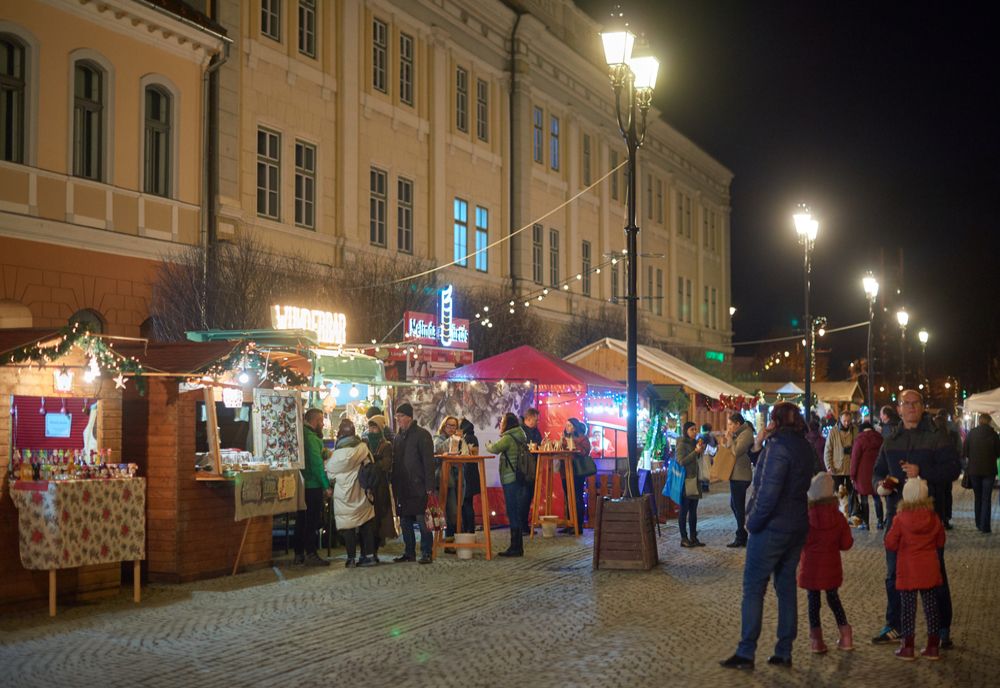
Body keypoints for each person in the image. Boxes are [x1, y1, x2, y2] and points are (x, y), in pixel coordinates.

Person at [720, 402, 814, 671]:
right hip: (796, 525)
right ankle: (784, 651)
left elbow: (768, 492)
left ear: (776, 420)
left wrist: (753, 523)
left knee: (753, 588)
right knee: (785, 589)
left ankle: (746, 651)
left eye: (771, 418)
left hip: (772, 527)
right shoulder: (803, 446)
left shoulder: (779, 447)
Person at [871, 390, 960, 648]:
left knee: (936, 574)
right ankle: (896, 625)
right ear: (898, 409)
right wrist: (880, 485)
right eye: (905, 404)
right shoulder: (890, 439)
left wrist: (923, 472)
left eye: (915, 403)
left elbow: (953, 469)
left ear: (922, 407)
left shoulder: (937, 436)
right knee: (893, 573)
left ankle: (942, 629)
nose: (910, 408)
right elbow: (876, 472)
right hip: (896, 516)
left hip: (928, 517)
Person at [884, 477, 946, 660]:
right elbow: (941, 541)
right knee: (931, 608)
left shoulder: (900, 519)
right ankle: (933, 647)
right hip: (929, 570)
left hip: (909, 570)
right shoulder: (933, 517)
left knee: (908, 610)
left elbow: (890, 543)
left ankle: (908, 647)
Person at [798, 473, 854, 654]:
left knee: (813, 603)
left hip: (811, 569)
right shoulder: (837, 517)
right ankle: (846, 637)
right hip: (832, 568)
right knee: (834, 600)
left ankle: (817, 641)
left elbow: (800, 542)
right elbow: (846, 544)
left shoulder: (806, 517)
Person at [325, 419, 377, 568]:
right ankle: (369, 556)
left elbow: (330, 475)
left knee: (348, 526)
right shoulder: (362, 448)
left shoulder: (335, 456)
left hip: (343, 495)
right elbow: (370, 466)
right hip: (361, 491)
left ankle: (351, 558)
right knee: (365, 522)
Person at [391, 402, 436, 564]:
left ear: (409, 417)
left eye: (401, 416)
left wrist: (430, 486)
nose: (398, 420)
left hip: (418, 485)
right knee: (405, 521)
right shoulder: (397, 437)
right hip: (403, 486)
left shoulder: (422, 435)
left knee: (421, 520)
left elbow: (428, 462)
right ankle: (409, 552)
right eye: (397, 417)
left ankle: (426, 552)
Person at [487, 412, 531, 557]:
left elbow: (494, 449)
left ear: (507, 423)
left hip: (510, 478)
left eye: (502, 421)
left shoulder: (508, 438)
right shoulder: (521, 435)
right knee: (516, 511)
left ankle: (515, 547)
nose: (501, 424)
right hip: (520, 477)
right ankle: (518, 546)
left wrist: (488, 444)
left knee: (512, 512)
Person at [292, 408, 331, 567]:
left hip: (300, 484)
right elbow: (316, 465)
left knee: (301, 519)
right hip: (312, 485)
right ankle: (311, 553)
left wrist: (324, 454)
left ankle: (298, 553)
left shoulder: (300, 435)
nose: (322, 424)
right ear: (315, 421)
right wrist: (326, 485)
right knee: (312, 521)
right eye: (321, 421)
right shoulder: (312, 438)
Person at [365, 415, 397, 559]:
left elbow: (386, 464)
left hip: (380, 486)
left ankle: (375, 549)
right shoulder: (365, 443)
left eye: (375, 427)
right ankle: (369, 549)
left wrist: (372, 463)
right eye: (370, 427)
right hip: (367, 485)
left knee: (379, 517)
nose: (372, 430)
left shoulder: (386, 445)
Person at [963, 413, 1000, 533]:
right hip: (989, 470)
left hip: (974, 470)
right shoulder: (994, 435)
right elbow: (999, 453)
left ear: (979, 421)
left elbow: (965, 451)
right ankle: (985, 526)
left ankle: (978, 522)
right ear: (989, 422)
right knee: (986, 498)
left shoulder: (971, 434)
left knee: (977, 497)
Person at [723, 413, 755, 548]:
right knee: (734, 505)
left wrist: (730, 439)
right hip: (735, 474)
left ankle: (741, 536)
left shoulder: (746, 434)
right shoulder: (739, 434)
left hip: (741, 475)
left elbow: (736, 451)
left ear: (737, 424)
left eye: (730, 424)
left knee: (738, 506)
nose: (729, 427)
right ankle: (742, 533)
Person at [676, 422, 706, 547]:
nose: (695, 431)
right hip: (686, 481)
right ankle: (684, 538)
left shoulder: (695, 443)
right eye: (692, 429)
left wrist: (699, 451)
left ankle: (694, 537)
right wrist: (695, 452)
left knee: (693, 511)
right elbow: (681, 461)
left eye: (696, 429)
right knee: (684, 511)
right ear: (686, 431)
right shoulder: (682, 444)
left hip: (695, 480)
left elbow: (697, 460)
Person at [433, 416, 462, 545]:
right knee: (449, 511)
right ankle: (444, 541)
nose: (451, 428)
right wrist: (453, 439)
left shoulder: (459, 440)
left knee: (454, 512)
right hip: (444, 479)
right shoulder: (438, 439)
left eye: (454, 426)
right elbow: (438, 450)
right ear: (444, 426)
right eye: (449, 425)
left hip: (457, 478)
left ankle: (451, 540)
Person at [851, 421, 885, 530]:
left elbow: (855, 459)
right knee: (876, 497)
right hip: (877, 473)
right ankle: (880, 521)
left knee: (864, 499)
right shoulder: (880, 439)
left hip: (862, 474)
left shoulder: (859, 440)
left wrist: (852, 475)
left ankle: (866, 523)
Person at [824, 411, 858, 518]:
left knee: (851, 493)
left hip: (850, 467)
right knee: (836, 494)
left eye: (848, 421)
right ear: (840, 420)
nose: (847, 423)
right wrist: (829, 466)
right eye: (844, 421)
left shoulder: (855, 431)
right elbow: (828, 450)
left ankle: (851, 514)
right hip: (836, 468)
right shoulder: (833, 432)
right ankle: (836, 514)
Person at [560, 418, 591, 534]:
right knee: (568, 498)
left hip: (577, 472)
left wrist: (573, 444)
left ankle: (578, 525)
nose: (567, 427)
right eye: (566, 425)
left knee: (577, 497)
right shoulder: (563, 439)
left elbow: (584, 451)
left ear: (575, 427)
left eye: (570, 425)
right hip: (565, 471)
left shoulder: (582, 438)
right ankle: (569, 523)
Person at [932, 411, 960, 529]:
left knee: (936, 495)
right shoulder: (952, 434)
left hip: (935, 470)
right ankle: (946, 518)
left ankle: (937, 519)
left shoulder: (931, 436)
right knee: (947, 494)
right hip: (948, 469)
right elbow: (959, 450)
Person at [520, 408, 543, 532]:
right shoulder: (521, 431)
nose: (537, 421)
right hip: (524, 468)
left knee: (529, 496)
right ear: (528, 418)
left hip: (533, 467)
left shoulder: (536, 431)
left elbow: (539, 443)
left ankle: (525, 525)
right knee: (524, 496)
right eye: (536, 419)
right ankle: (522, 525)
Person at [458, 418, 481, 534]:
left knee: (465, 503)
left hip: (466, 473)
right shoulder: (474, 438)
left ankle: (468, 528)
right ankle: (470, 528)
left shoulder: (465, 438)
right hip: (473, 473)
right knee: (469, 503)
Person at [697, 423, 717, 493]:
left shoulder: (699, 435)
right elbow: (715, 445)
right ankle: (706, 486)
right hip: (708, 456)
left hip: (701, 455)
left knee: (701, 471)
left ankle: (702, 485)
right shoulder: (711, 436)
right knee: (706, 471)